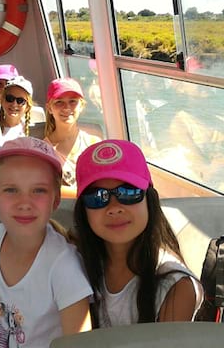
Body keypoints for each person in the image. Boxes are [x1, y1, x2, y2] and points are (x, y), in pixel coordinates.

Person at [0, 137, 93, 348]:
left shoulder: (64, 266)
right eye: (11, 190)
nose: (24, 203)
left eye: (38, 190)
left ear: (55, 200)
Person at [73, 139, 203, 327]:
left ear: (149, 200)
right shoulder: (73, 261)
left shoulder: (176, 286)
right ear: (83, 211)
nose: (114, 208)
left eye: (128, 192)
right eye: (98, 197)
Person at [43, 77, 102, 197]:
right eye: (59, 102)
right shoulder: (43, 150)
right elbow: (46, 189)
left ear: (82, 106)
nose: (66, 108)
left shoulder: (94, 143)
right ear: (49, 108)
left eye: (73, 101)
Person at [0, 76, 33, 142]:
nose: (14, 104)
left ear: (27, 107)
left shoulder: (34, 131)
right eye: (10, 98)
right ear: (2, 100)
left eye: (20, 101)